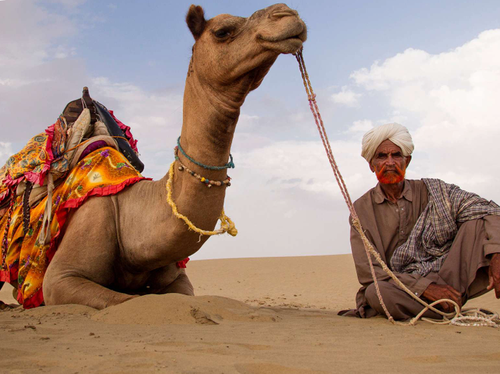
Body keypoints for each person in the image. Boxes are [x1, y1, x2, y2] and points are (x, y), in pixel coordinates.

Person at [343, 123, 500, 320]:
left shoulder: (436, 191)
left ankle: (445, 303)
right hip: (403, 288)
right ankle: (444, 309)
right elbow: (369, 272)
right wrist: (425, 288)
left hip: (448, 277)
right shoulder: (361, 210)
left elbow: (488, 209)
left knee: (480, 222)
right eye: (381, 156)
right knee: (376, 291)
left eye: (396, 155)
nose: (389, 162)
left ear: (406, 161)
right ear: (371, 164)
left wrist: (496, 254)